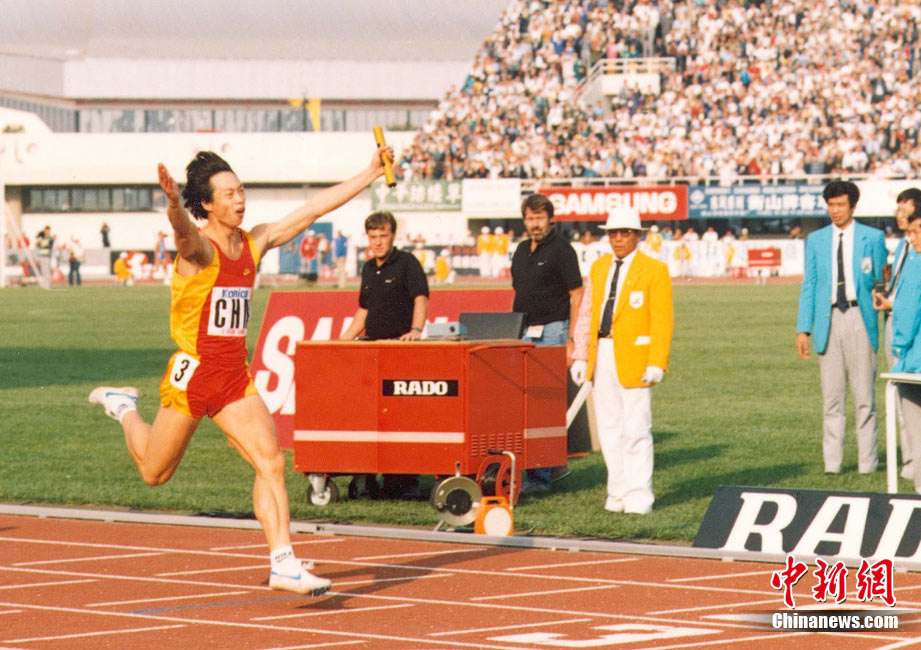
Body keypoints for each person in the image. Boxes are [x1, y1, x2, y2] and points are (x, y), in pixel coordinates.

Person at [88, 143, 391, 596]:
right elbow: (183, 235)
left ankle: (283, 562)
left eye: (241, 190)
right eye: (228, 194)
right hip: (193, 377)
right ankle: (124, 407)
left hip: (233, 377)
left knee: (271, 461)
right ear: (207, 204)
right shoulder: (199, 250)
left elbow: (312, 209)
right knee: (154, 473)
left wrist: (369, 173)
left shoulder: (255, 242)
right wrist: (173, 205)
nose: (240, 199)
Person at [570, 206, 674, 514]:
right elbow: (587, 312)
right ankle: (617, 493)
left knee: (636, 428)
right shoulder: (599, 267)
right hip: (602, 353)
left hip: (636, 357)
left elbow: (662, 319)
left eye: (624, 233)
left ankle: (639, 495)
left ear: (637, 236)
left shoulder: (654, 269)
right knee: (609, 428)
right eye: (612, 233)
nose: (617, 239)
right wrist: (581, 355)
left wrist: (657, 361)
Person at [796, 180, 888, 474]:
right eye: (831, 205)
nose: (835, 210)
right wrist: (803, 328)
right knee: (832, 398)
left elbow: (881, 280)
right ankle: (832, 464)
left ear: (853, 206)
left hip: (861, 317)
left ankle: (867, 463)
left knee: (864, 398)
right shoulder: (816, 239)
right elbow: (809, 284)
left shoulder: (872, 237)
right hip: (828, 320)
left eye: (840, 205)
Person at [340, 210, 430, 499]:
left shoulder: (408, 263)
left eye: (383, 236)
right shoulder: (368, 268)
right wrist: (342, 341)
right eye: (373, 237)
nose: (378, 242)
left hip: (400, 352)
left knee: (402, 417)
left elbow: (421, 298)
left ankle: (404, 481)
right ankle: (366, 478)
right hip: (371, 351)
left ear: (393, 236)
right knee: (368, 417)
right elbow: (364, 311)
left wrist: (416, 330)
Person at [511, 193, 584, 494]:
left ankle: (539, 477)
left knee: (542, 405)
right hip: (523, 332)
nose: (535, 224)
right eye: (530, 218)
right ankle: (551, 466)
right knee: (527, 403)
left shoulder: (562, 250)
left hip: (553, 331)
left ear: (551, 219)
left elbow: (577, 294)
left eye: (540, 218)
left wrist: (571, 338)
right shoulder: (520, 250)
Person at [874, 187, 921, 480]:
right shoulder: (906, 247)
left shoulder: (917, 257)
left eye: (916, 230)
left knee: (912, 411)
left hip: (912, 348)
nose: (911, 237)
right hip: (904, 331)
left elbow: (910, 307)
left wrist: (901, 346)